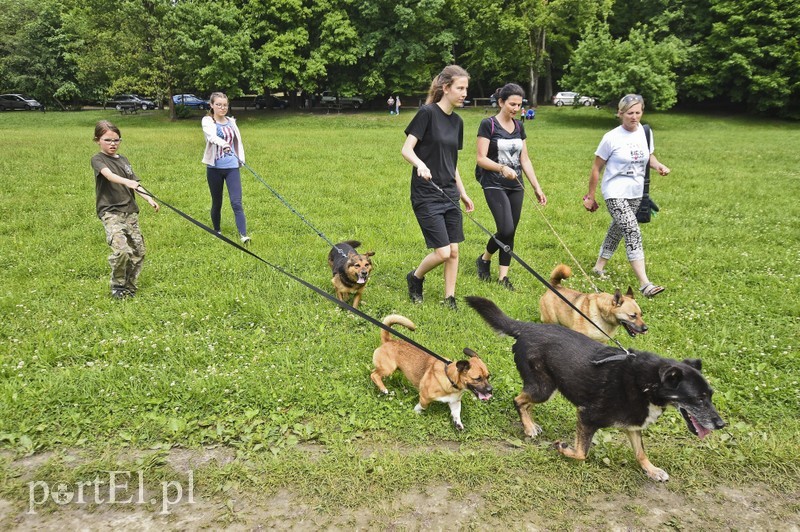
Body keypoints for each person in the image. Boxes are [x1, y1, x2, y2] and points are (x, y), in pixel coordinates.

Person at [583, 93, 671, 298]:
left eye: (638, 112)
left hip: (636, 191)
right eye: (630, 113)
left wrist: (659, 166)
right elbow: (596, 168)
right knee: (631, 229)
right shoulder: (611, 137)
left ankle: (598, 267)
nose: (634, 117)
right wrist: (590, 196)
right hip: (614, 192)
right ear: (620, 113)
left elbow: (649, 156)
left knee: (618, 229)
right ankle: (645, 284)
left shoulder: (645, 132)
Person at [401, 65, 474, 309]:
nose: (464, 93)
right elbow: (406, 149)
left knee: (454, 250)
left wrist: (462, 192)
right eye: (460, 88)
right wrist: (420, 164)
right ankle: (415, 277)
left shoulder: (458, 122)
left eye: (466, 88)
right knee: (442, 252)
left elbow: (451, 163)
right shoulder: (427, 114)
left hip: (450, 193)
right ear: (446, 88)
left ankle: (449, 298)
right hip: (427, 194)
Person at [475, 83, 546, 290]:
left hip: (516, 184)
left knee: (510, 231)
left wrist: (537, 187)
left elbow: (525, 160)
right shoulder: (488, 124)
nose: (516, 108)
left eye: (519, 105)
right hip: (493, 183)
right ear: (501, 102)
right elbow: (480, 158)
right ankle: (485, 258)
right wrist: (501, 168)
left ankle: (502, 277)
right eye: (512, 104)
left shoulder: (519, 126)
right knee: (505, 228)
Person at [91, 120, 159, 300]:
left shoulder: (124, 160)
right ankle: (117, 286)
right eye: (107, 140)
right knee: (122, 251)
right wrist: (127, 182)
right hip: (111, 212)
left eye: (116, 140)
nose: (112, 144)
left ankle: (130, 286)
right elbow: (109, 176)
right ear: (98, 140)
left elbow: (136, 183)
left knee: (138, 252)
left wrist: (149, 198)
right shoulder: (98, 159)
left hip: (130, 211)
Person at [202, 92, 250, 244]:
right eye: (218, 105)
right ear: (212, 105)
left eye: (225, 105)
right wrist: (224, 144)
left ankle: (243, 235)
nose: (222, 108)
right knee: (217, 202)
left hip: (232, 167)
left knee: (236, 202)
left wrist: (240, 160)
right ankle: (217, 231)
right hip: (214, 168)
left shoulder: (231, 121)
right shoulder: (208, 121)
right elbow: (211, 136)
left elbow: (239, 142)